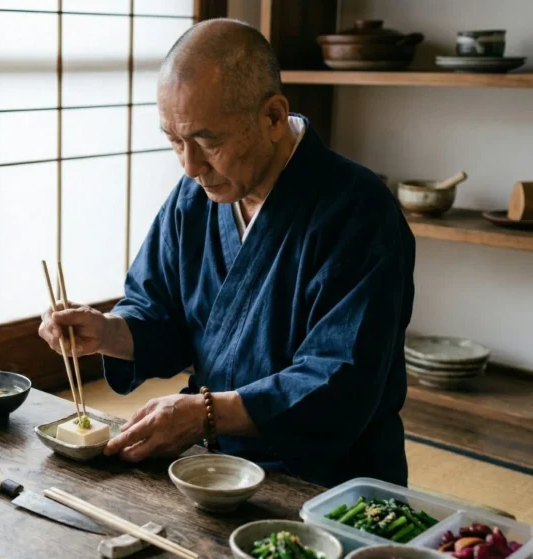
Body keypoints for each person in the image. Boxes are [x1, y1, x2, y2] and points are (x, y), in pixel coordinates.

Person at [38, 18, 415, 488]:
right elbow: (160, 312)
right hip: (210, 468)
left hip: (325, 479)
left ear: (274, 117)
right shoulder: (194, 197)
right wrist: (107, 331)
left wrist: (207, 413)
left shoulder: (358, 212)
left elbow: (339, 379)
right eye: (175, 142)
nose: (190, 166)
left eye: (207, 141)